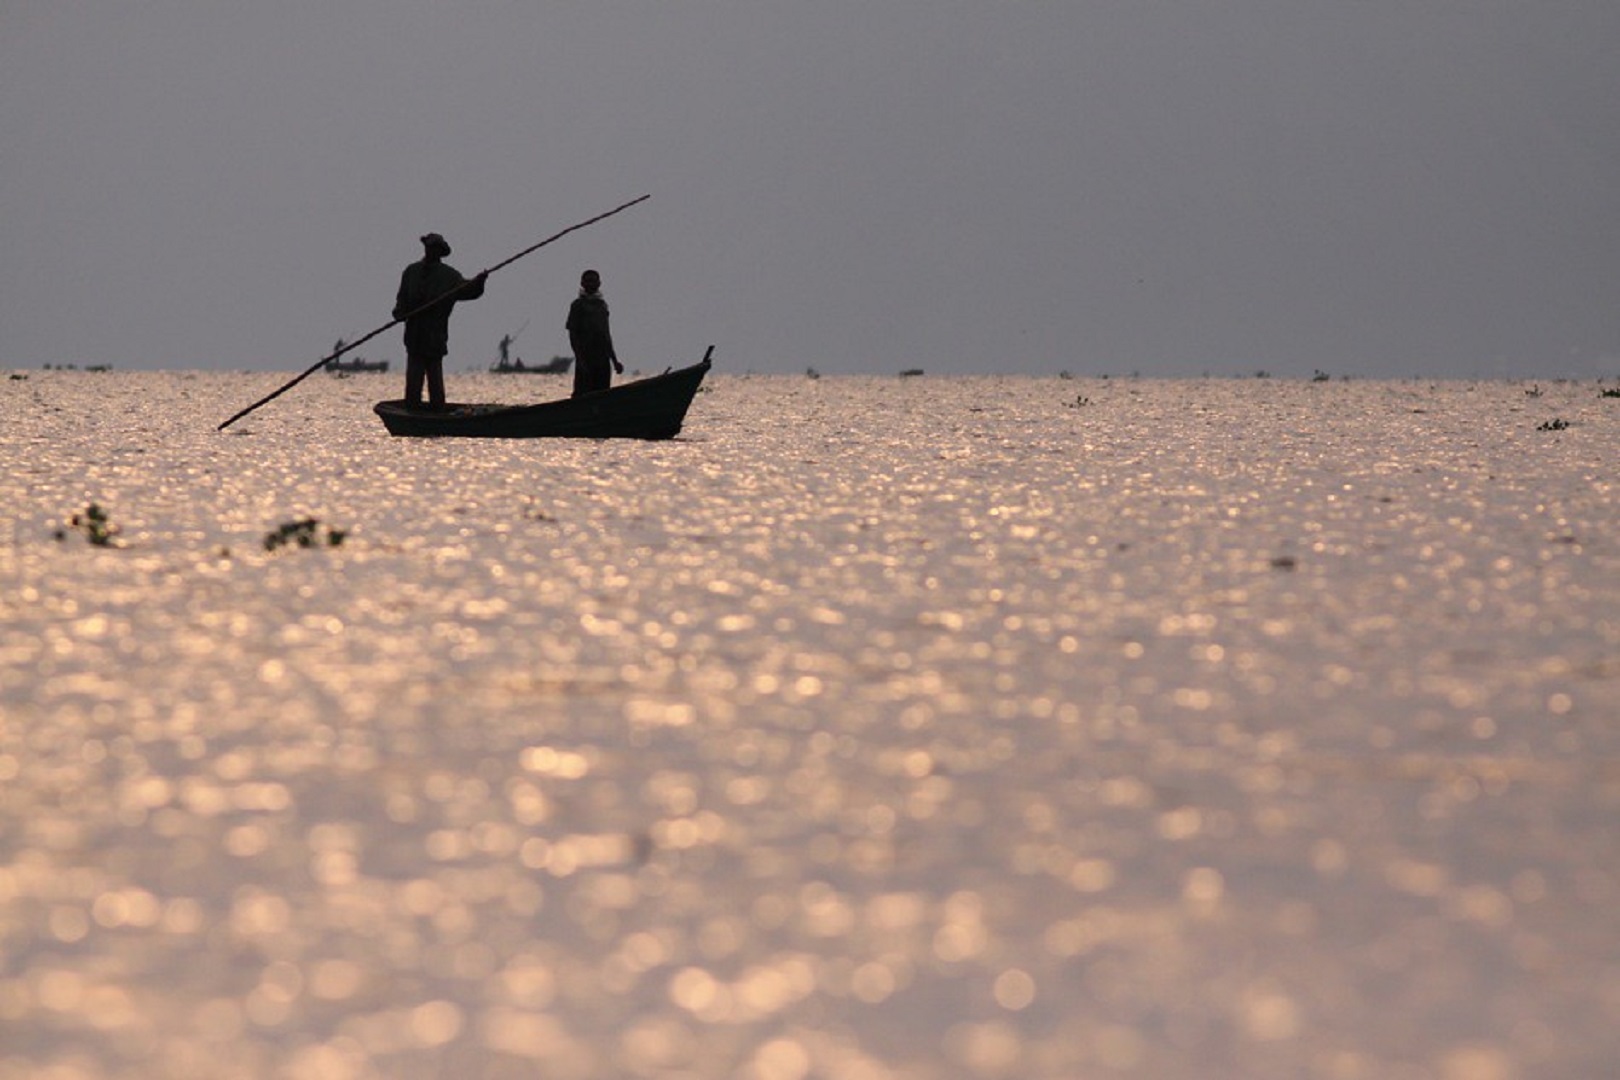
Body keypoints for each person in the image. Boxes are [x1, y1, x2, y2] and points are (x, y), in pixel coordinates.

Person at [393, 232, 487, 407]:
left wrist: (479, 282)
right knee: (413, 385)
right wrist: (400, 313)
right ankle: (413, 411)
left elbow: (469, 291)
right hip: (414, 338)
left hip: (435, 338)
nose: (431, 251)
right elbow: (401, 301)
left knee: (435, 385)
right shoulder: (411, 272)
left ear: (440, 252)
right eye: (429, 248)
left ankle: (437, 411)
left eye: (435, 248)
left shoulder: (449, 276)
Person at [565, 269, 623, 397]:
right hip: (586, 358)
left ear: (599, 283)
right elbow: (573, 335)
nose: (591, 284)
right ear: (582, 283)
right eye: (588, 281)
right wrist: (580, 359)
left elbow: (606, 335)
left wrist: (615, 361)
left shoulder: (602, 306)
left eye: (594, 281)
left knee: (602, 394)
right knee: (582, 393)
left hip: (602, 359)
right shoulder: (578, 305)